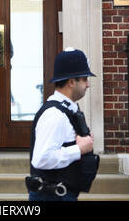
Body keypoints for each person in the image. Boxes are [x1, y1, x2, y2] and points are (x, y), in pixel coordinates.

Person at [26, 47, 99, 201]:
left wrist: (81, 141)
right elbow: (42, 159)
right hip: (52, 196)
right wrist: (79, 149)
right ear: (71, 82)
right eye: (84, 79)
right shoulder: (54, 114)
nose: (88, 85)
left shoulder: (68, 110)